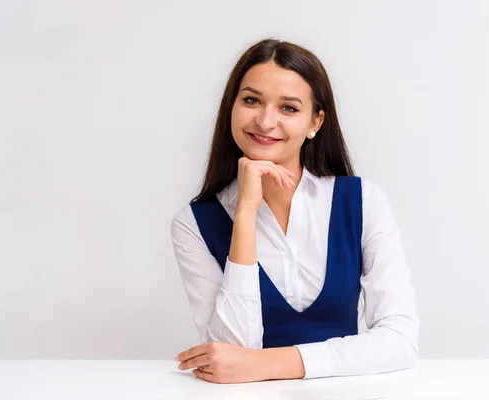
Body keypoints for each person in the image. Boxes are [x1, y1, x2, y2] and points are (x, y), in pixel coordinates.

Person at [170, 38, 419, 384]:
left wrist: (267, 364)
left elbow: (400, 341)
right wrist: (244, 213)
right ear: (232, 107)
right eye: (251, 100)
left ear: (315, 122)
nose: (265, 120)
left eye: (288, 108)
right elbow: (228, 356)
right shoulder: (194, 223)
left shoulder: (362, 202)